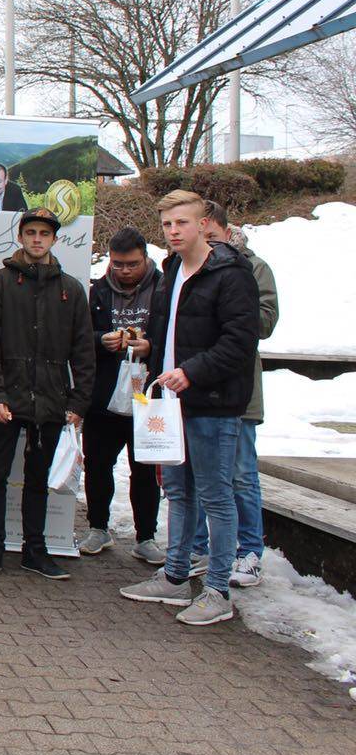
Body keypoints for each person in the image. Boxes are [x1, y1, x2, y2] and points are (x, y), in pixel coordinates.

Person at [120, 189, 260, 627]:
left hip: (212, 404)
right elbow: (171, 332)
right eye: (166, 224)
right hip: (170, 403)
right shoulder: (171, 270)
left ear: (203, 225)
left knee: (217, 497)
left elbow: (240, 341)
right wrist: (149, 349)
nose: (173, 231)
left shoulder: (232, 273)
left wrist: (192, 372)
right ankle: (176, 576)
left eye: (182, 222)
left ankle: (218, 591)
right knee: (179, 493)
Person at [0, 208, 95, 581]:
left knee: (38, 479)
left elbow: (84, 352)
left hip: (52, 399)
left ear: (54, 239)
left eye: (44, 233)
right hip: (7, 398)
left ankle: (35, 551)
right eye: (31, 232)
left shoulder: (72, 289)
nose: (37, 239)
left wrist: (78, 402)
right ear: (20, 236)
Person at [190, 200, 279, 588]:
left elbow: (265, 322)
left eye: (212, 237)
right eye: (202, 237)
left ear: (227, 231)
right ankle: (197, 548)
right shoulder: (189, 266)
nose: (208, 244)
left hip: (240, 390)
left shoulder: (253, 268)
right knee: (195, 475)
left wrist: (228, 305)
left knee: (241, 474)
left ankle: (249, 552)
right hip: (196, 386)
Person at [79, 226, 162, 563]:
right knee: (98, 463)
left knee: (144, 467)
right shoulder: (98, 291)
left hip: (147, 394)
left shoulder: (163, 289)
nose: (125, 271)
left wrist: (150, 347)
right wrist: (102, 340)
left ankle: (146, 536)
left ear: (145, 258)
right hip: (104, 393)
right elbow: (81, 335)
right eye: (118, 264)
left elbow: (175, 337)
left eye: (132, 264)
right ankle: (98, 527)